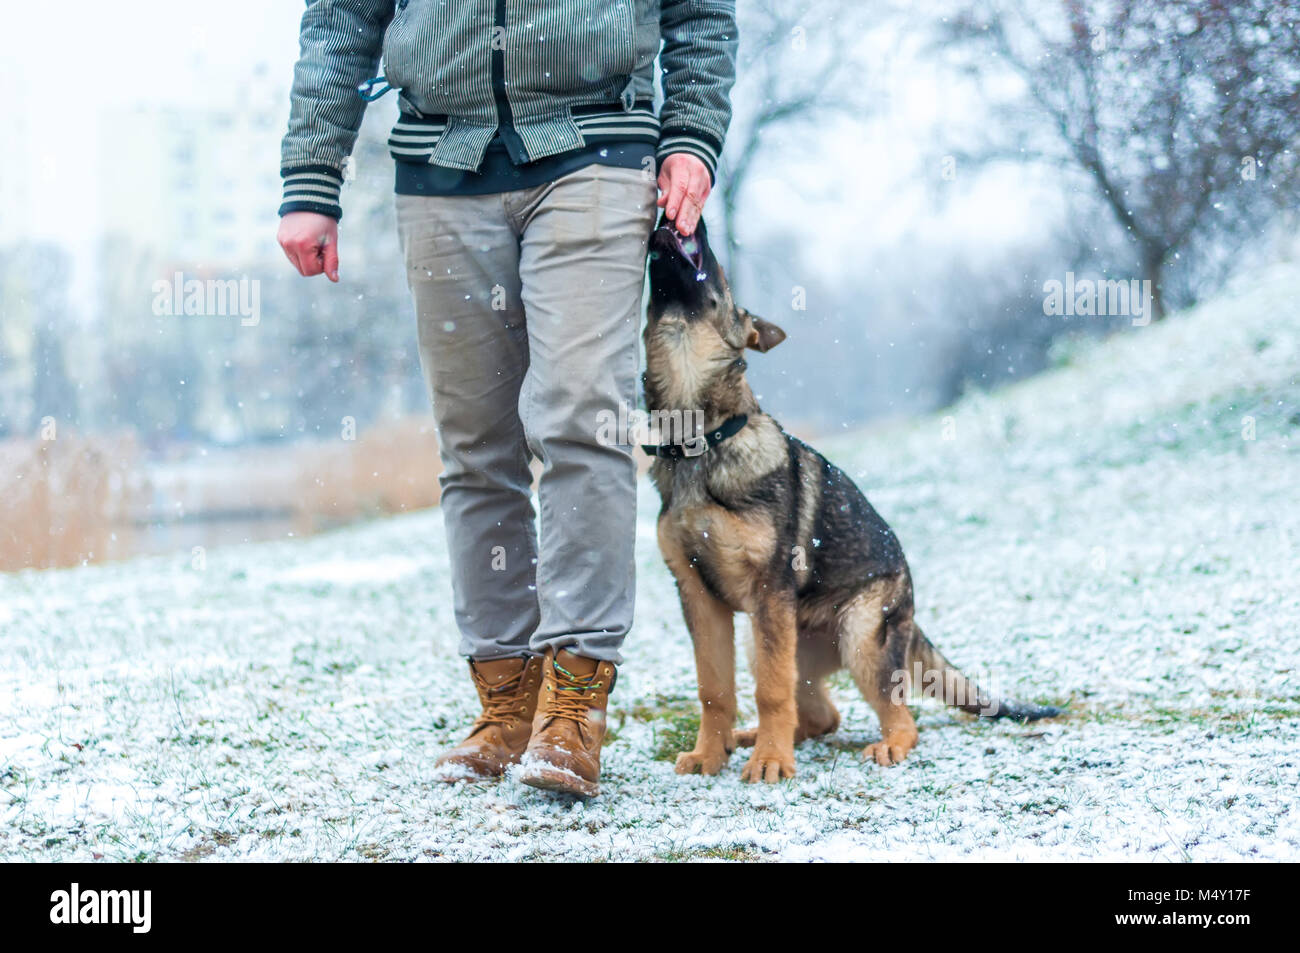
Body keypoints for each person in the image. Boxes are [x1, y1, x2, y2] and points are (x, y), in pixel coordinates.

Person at [276, 1, 737, 797]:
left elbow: (700, 10)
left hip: (595, 147)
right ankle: (505, 703)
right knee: (475, 446)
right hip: (440, 168)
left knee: (580, 418)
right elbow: (341, 16)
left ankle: (575, 707)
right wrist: (312, 176)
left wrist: (692, 136)